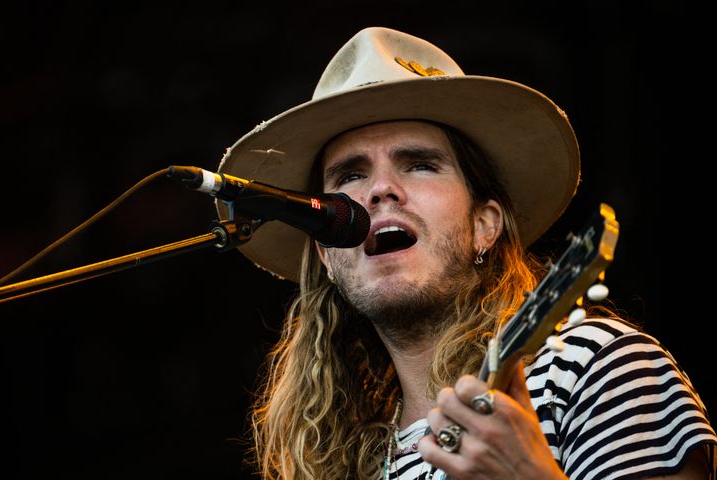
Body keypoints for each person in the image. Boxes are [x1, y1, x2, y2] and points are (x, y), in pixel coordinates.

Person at [215, 27, 716, 479]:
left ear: (485, 226)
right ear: (326, 252)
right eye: (350, 176)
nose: (381, 189)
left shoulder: (592, 365)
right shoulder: (341, 460)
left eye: (418, 164)